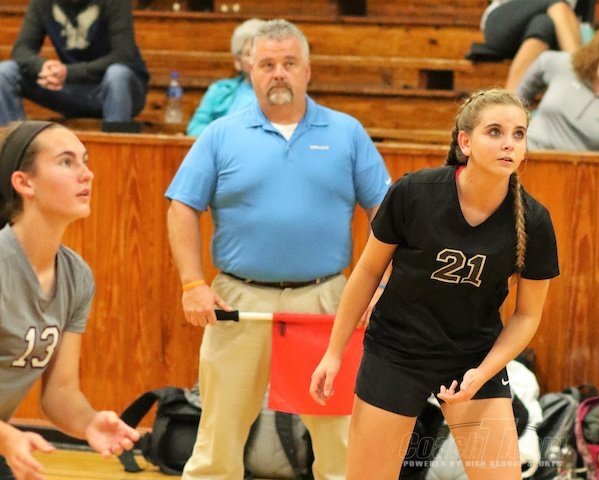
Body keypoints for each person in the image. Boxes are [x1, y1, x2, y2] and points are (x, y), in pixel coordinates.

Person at [165, 19, 391, 480]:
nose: (279, 73)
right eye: (267, 64)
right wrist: (192, 284)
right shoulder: (221, 134)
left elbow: (386, 214)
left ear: (308, 70)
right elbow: (181, 207)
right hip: (237, 300)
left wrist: (383, 284)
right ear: (250, 71)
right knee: (218, 437)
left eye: (289, 63)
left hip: (326, 302)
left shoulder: (347, 132)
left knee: (339, 437)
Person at [310, 88, 560, 479]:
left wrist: (484, 371)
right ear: (465, 142)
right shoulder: (415, 193)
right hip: (396, 351)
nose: (509, 143)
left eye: (519, 134)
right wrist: (333, 352)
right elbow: (367, 272)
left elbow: (527, 316)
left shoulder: (535, 221)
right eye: (495, 132)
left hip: (473, 356)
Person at [0, 121, 140, 480]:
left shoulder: (76, 276)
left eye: (85, 160)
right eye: (66, 162)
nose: (86, 173)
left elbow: (60, 391)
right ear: (24, 183)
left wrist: (89, 422)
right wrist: (7, 437)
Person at [0, 0, 149, 128]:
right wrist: (43, 67)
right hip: (70, 88)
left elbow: (123, 56)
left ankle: (116, 146)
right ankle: (12, 145)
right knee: (5, 72)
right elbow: (21, 50)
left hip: (118, 90)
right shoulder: (43, 3)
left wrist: (68, 72)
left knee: (117, 74)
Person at [516, 28, 599, 151]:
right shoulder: (566, 65)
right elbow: (543, 62)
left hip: (575, 162)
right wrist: (515, 110)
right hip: (526, 151)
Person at [186, 18, 266, 137]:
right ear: (237, 62)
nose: (255, 59)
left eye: (261, 53)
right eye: (249, 54)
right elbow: (195, 128)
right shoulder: (220, 90)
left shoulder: (281, 93)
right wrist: (225, 138)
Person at [479, 0, 582, 91]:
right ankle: (581, 76)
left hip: (547, 30)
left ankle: (511, 99)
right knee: (559, 4)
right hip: (501, 23)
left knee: (544, 24)